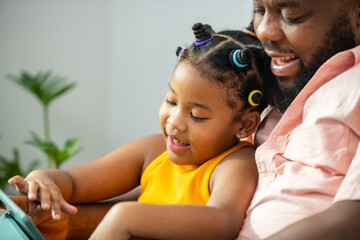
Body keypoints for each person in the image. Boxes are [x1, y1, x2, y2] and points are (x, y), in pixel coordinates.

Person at [8, 22, 274, 239]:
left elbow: (224, 221)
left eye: (197, 115)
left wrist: (128, 217)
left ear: (245, 124)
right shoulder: (153, 152)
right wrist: (45, 180)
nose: (175, 122)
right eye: (171, 101)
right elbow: (76, 183)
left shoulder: (236, 163)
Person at [237, 0, 360, 239]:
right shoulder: (260, 98)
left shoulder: (353, 88)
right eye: (259, 11)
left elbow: (353, 219)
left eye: (291, 15)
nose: (263, 30)